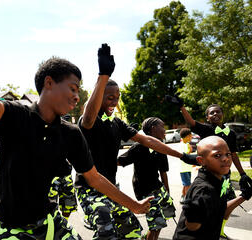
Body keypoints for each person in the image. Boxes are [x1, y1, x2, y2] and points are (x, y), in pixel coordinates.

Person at [0, 2, 153, 238]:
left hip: (47, 223)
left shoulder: (70, 133)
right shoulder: (15, 115)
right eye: (73, 88)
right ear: (49, 82)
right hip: (9, 229)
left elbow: (94, 177)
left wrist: (135, 205)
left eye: (79, 91)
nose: (77, 96)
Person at [77, 44, 190, 240]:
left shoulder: (117, 123)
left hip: (111, 188)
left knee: (133, 233)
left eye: (117, 98)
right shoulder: (90, 121)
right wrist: (102, 77)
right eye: (109, 97)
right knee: (107, 233)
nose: (114, 101)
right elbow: (88, 117)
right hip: (90, 191)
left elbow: (146, 139)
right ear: (99, 97)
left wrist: (183, 155)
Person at [165, 95, 252, 238]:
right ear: (207, 118)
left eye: (218, 111)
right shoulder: (206, 129)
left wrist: (242, 174)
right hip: (210, 173)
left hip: (224, 175)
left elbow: (234, 155)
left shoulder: (230, 133)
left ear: (223, 114)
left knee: (223, 204)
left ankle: (219, 229)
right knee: (208, 204)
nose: (215, 114)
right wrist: (182, 107)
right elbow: (192, 122)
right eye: (211, 112)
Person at [173, 136, 251, 239]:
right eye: (217, 155)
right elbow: (192, 226)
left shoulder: (217, 179)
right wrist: (193, 213)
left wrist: (244, 196)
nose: (225, 158)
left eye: (228, 154)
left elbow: (220, 210)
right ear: (201, 160)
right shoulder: (204, 189)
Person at [117, 117, 176, 240]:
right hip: (145, 190)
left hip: (158, 187)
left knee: (161, 221)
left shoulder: (161, 147)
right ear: (153, 129)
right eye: (162, 126)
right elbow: (120, 161)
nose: (165, 129)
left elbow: (163, 171)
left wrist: (167, 192)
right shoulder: (139, 147)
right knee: (154, 225)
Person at [179, 128, 193, 204]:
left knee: (185, 184)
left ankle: (183, 196)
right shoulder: (182, 145)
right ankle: (188, 199)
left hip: (187, 168)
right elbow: (183, 155)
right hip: (183, 169)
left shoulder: (186, 144)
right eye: (190, 136)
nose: (191, 137)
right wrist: (190, 151)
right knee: (187, 184)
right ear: (187, 136)